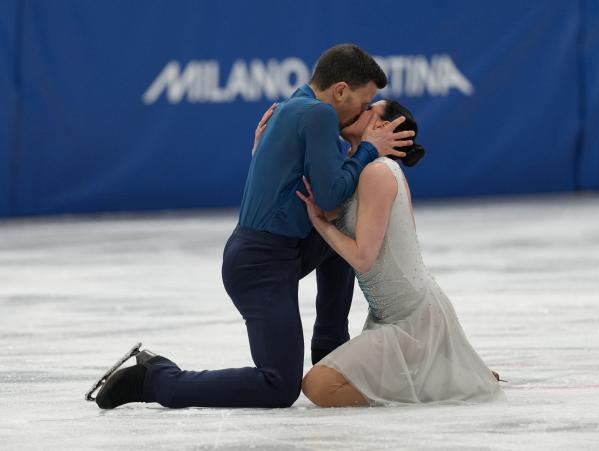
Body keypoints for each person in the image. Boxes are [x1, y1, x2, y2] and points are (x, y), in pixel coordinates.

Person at [94, 44, 415, 409]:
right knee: (279, 386)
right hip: (259, 265)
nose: (364, 110)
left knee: (340, 234)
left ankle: (330, 348)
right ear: (340, 90)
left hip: (279, 252)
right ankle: (155, 379)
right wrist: (368, 150)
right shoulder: (320, 115)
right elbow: (327, 198)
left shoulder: (294, 106)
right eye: (364, 101)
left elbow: (321, 192)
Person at [296, 100, 505, 407]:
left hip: (411, 318)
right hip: (389, 315)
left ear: (382, 127)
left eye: (368, 108)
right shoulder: (357, 169)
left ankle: (436, 384)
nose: (357, 108)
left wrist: (321, 225)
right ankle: (441, 377)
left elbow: (364, 258)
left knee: (318, 386)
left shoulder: (378, 172)